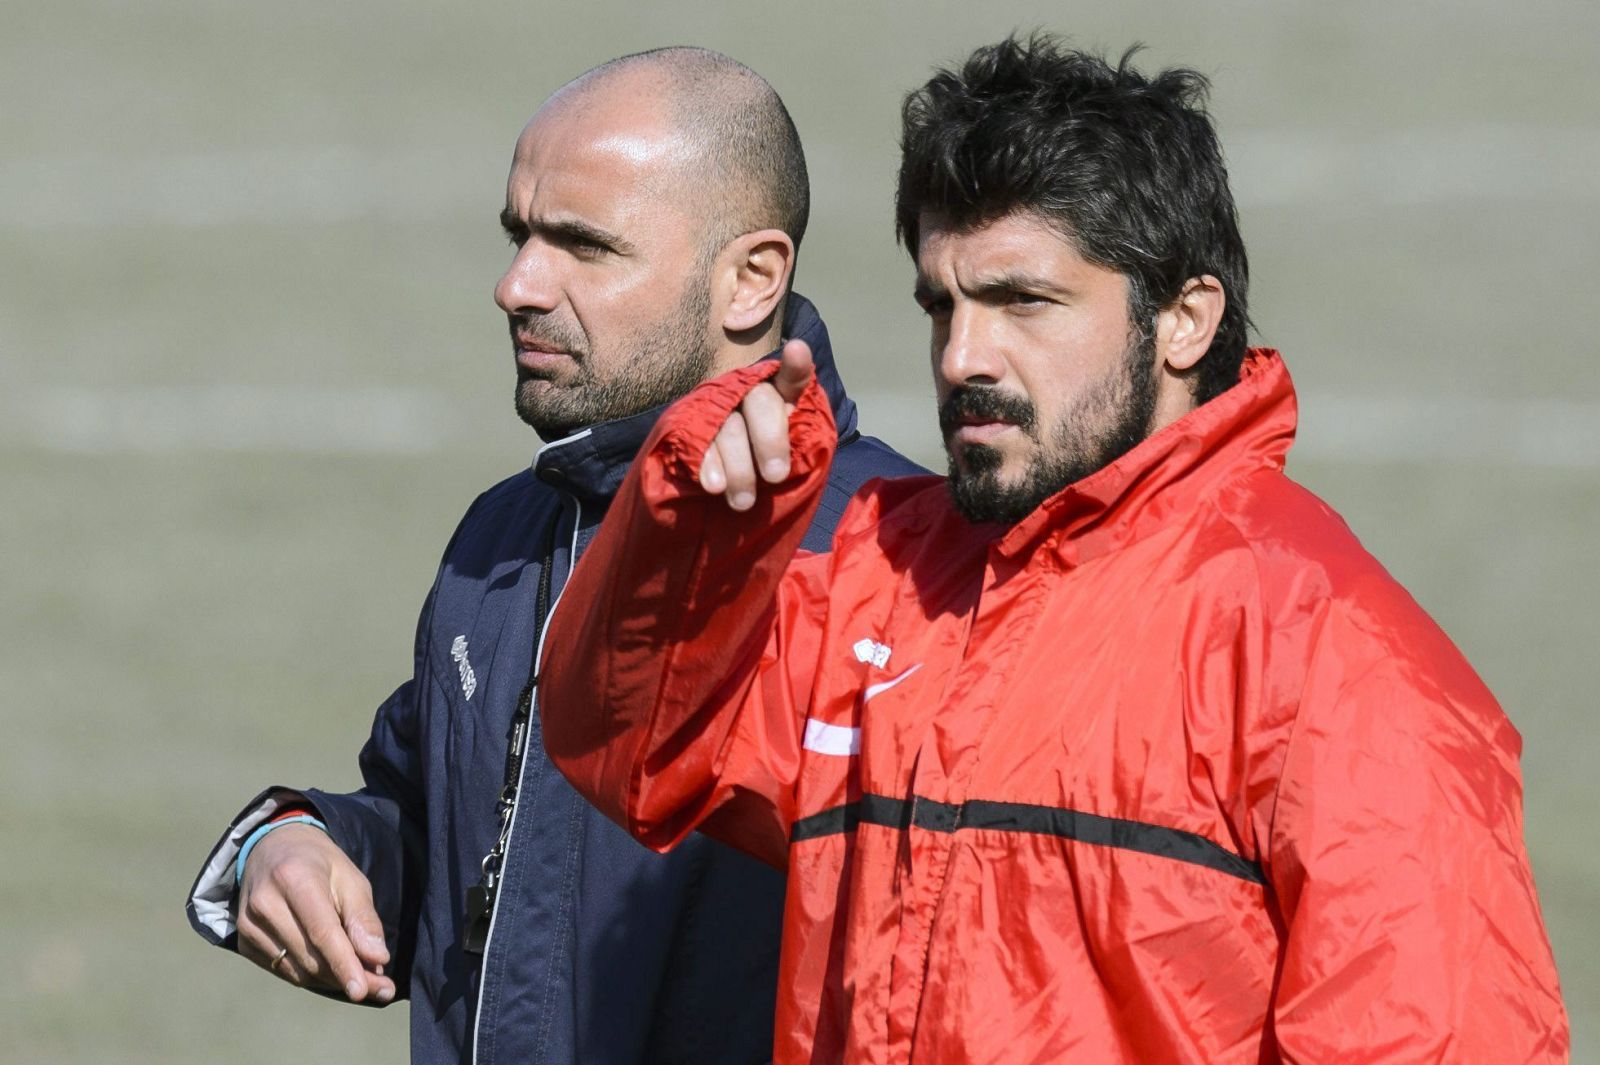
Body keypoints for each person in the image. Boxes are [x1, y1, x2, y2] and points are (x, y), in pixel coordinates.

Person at [539, 36, 1570, 1063]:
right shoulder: (874, 577)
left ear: (1182, 320)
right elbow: (631, 748)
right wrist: (686, 530)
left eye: (1022, 302)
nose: (962, 357)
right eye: (941, 304)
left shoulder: (1338, 663)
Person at [184, 47, 921, 1065]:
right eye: (519, 235)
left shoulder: (900, 563)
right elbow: (458, 841)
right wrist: (297, 847)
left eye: (583, 245)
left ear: (750, 279)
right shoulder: (504, 536)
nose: (516, 284)